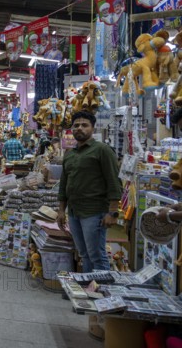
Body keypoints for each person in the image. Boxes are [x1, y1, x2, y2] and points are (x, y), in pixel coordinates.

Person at [57, 111, 122, 273]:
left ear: (93, 128)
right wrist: (60, 210)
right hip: (74, 212)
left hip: (94, 212)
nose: (79, 128)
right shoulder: (70, 154)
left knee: (96, 255)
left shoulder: (102, 150)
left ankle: (103, 292)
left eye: (84, 125)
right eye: (76, 125)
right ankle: (89, 288)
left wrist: (113, 212)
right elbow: (64, 184)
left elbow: (114, 181)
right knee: (84, 254)